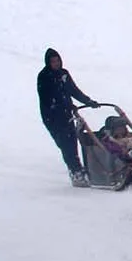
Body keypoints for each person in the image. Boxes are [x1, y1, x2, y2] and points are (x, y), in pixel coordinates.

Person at [37, 48, 101, 187]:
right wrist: (65, 106)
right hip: (53, 118)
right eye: (53, 61)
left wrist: (88, 101)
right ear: (48, 63)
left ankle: (77, 168)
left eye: (57, 60)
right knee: (65, 145)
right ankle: (75, 172)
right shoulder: (44, 77)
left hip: (66, 115)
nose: (56, 63)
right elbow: (48, 98)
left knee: (72, 142)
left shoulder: (64, 74)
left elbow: (73, 90)